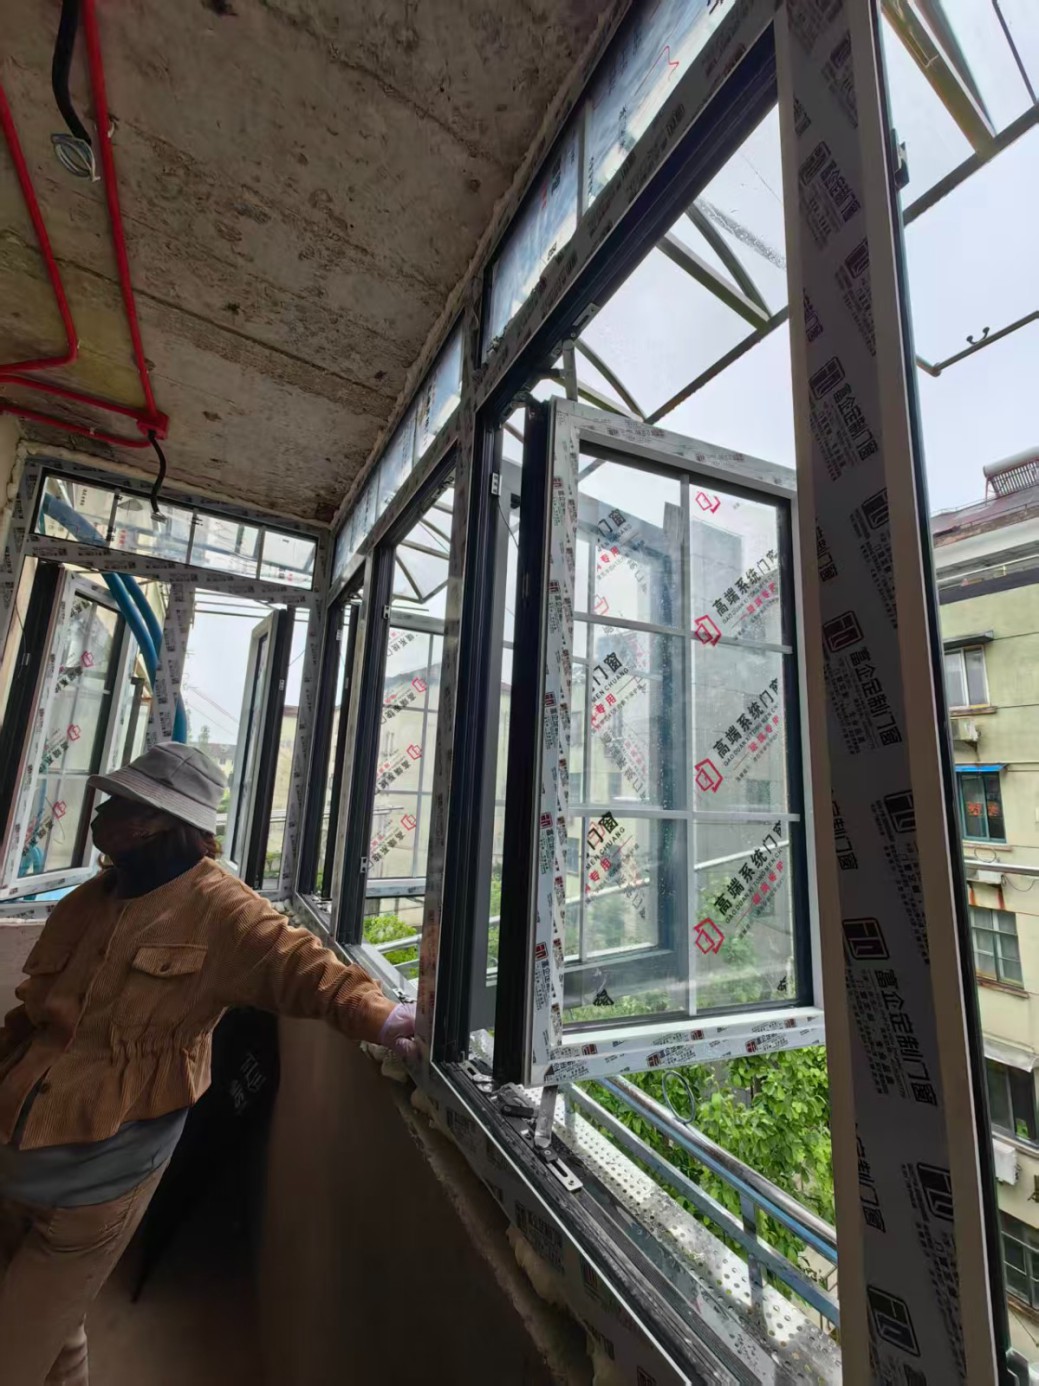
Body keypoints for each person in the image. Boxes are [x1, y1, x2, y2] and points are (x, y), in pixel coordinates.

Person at [0, 741, 416, 1385]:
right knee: (53, 1330)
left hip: (98, 1178)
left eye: (120, 806)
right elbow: (36, 1017)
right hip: (18, 1154)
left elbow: (307, 970)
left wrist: (391, 1022)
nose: (101, 817)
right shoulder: (95, 897)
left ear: (158, 824)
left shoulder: (222, 910)